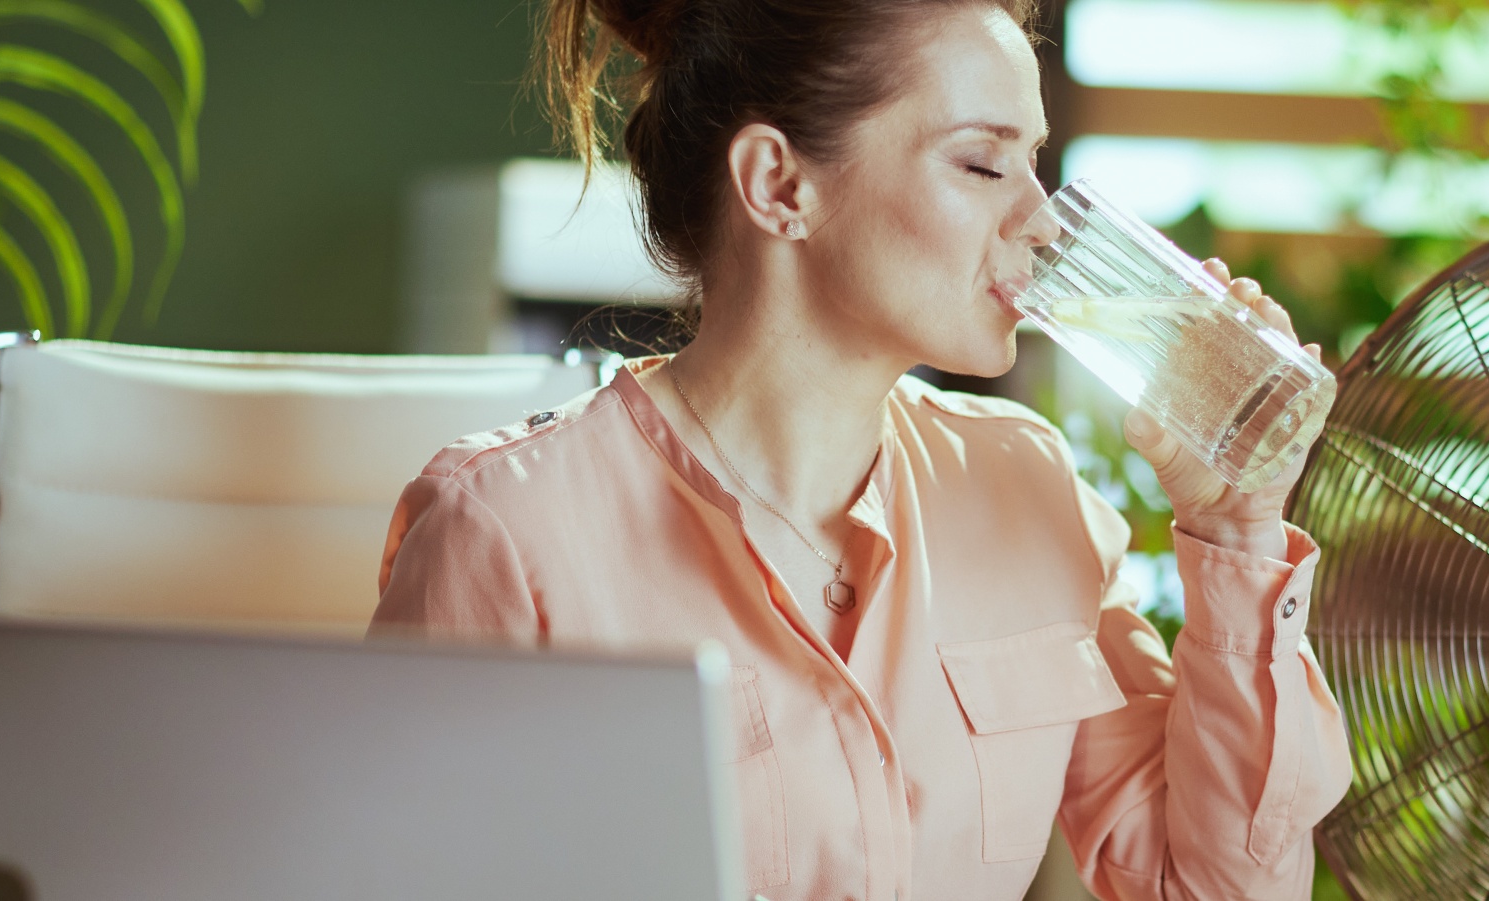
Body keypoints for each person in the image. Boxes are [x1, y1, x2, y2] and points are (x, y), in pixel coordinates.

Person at [370, 1, 1353, 898]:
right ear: (779, 184)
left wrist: (1234, 525)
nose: (1042, 221)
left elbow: (1214, 886)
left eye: (1036, 165)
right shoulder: (509, 535)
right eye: (981, 164)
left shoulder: (1026, 486)